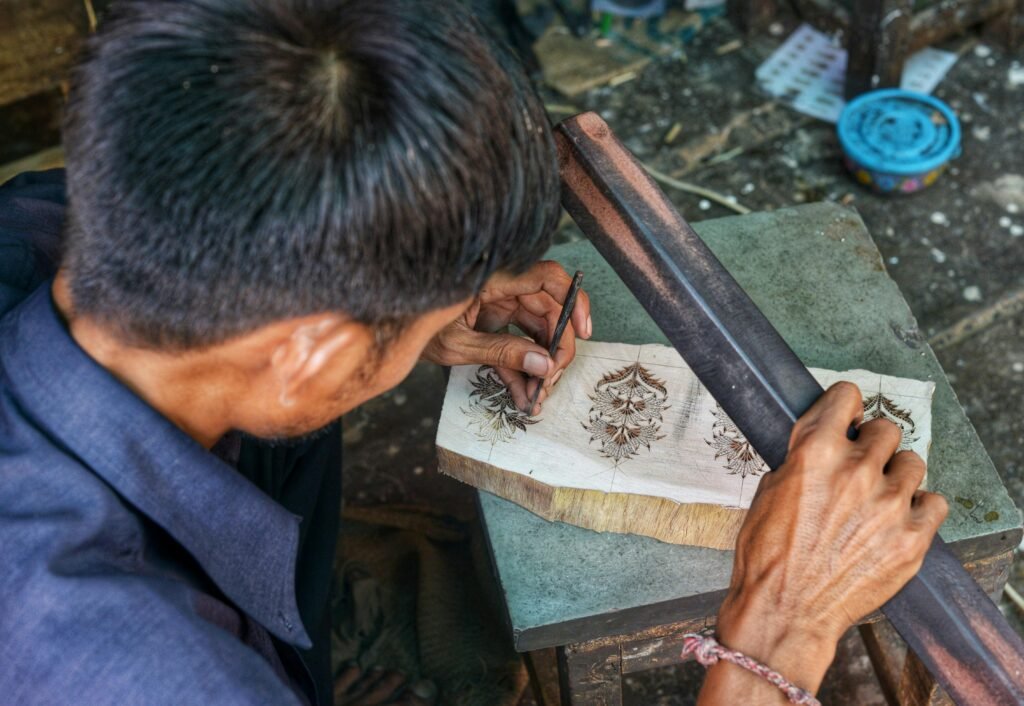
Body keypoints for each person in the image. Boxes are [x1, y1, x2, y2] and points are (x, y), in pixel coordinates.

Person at [0, 1, 947, 705]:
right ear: (311, 355)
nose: (458, 318)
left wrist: (406, 302)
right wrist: (777, 638)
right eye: (432, 312)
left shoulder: (57, 220)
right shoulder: (141, 669)